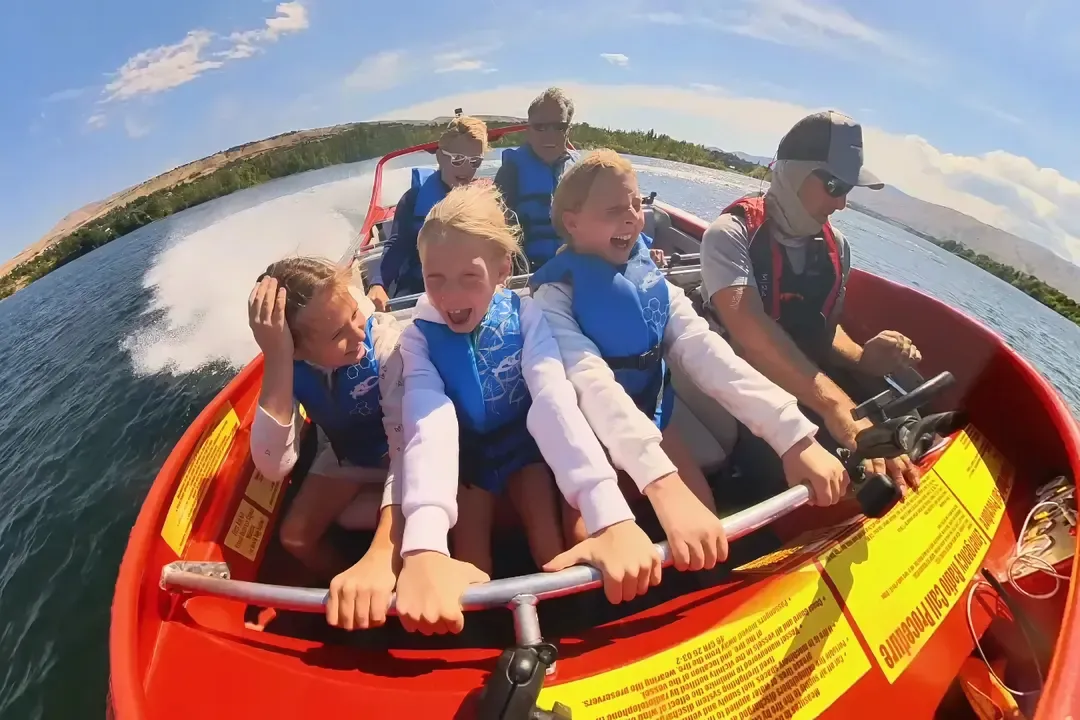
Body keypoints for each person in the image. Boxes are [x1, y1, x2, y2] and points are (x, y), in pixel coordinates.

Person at [530, 149, 848, 574]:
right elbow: (590, 384)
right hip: (588, 434)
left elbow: (703, 349)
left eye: (636, 205)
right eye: (613, 210)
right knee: (592, 544)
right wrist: (662, 485)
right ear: (572, 223)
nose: (631, 218)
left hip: (654, 413)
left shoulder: (647, 274)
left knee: (709, 533)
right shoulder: (555, 296)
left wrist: (793, 436)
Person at [393, 183, 663, 636]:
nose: (450, 296)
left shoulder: (527, 314)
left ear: (501, 271)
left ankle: (570, 631)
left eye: (469, 277)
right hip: (469, 460)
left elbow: (552, 396)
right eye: (434, 278)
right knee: (469, 560)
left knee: (550, 550)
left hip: (524, 450)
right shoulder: (417, 337)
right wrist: (423, 546)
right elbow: (429, 421)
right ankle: (473, 642)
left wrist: (608, 513)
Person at [700, 111, 922, 499]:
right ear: (793, 174)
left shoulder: (838, 247)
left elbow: (824, 327)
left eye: (847, 189)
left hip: (807, 382)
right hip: (742, 385)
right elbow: (752, 336)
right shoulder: (731, 236)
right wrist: (841, 412)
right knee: (780, 471)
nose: (841, 203)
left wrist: (862, 358)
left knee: (907, 422)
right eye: (833, 185)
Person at [247, 257, 406, 632]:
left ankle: (391, 579)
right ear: (296, 349)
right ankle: (357, 602)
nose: (357, 333)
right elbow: (275, 464)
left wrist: (380, 551)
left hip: (403, 457)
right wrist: (277, 358)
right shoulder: (291, 363)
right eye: (339, 336)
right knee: (296, 537)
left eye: (355, 315)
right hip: (349, 458)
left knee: (377, 519)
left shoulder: (385, 345)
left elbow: (411, 450)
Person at [367, 115, 489, 310]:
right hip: (419, 289)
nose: (467, 169)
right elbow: (397, 245)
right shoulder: (413, 200)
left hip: (468, 286)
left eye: (475, 162)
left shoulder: (483, 200)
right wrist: (378, 283)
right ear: (440, 156)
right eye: (458, 159)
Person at [494, 87, 579, 271]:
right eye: (540, 127)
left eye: (558, 127)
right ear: (529, 131)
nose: (549, 135)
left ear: (568, 131)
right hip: (527, 276)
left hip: (576, 270)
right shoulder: (511, 172)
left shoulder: (581, 171)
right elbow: (499, 235)